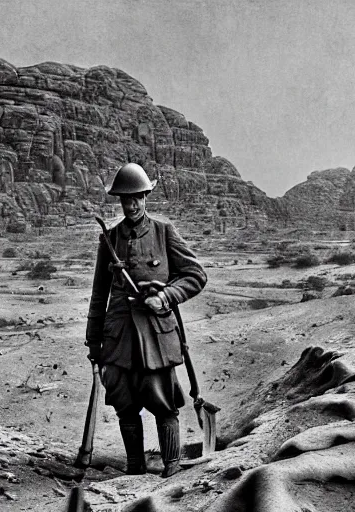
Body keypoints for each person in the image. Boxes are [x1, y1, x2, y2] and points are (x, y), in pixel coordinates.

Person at [85, 163, 207, 478]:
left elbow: (196, 275)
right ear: (120, 201)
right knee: (126, 405)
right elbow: (100, 296)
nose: (132, 204)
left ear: (145, 196)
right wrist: (94, 343)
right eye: (126, 199)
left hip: (156, 334)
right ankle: (135, 469)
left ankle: (172, 469)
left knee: (164, 403)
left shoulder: (164, 232)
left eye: (137, 197)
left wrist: (165, 297)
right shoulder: (109, 239)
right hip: (119, 336)